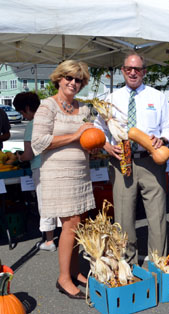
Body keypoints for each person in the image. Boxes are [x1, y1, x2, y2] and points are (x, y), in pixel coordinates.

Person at [94, 53, 169, 264]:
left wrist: (163, 139)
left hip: (150, 160)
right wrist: (107, 146)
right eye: (128, 68)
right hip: (120, 162)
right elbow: (98, 129)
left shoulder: (157, 97)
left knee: (157, 216)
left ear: (144, 72)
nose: (132, 72)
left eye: (137, 69)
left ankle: (158, 264)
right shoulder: (110, 99)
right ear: (122, 71)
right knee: (124, 218)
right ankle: (127, 264)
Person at [31, 60, 96, 299]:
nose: (73, 83)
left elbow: (88, 140)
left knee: (78, 224)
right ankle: (63, 278)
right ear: (59, 78)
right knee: (70, 224)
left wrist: (94, 145)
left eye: (78, 80)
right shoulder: (47, 107)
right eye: (69, 78)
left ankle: (75, 269)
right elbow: (38, 143)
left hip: (80, 172)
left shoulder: (85, 108)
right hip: (58, 174)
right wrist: (75, 135)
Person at [14, 92, 60, 252]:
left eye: (21, 112)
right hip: (58, 166)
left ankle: (49, 241)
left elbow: (28, 154)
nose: (23, 116)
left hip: (41, 169)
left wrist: (19, 158)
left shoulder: (32, 125)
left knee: (45, 203)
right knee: (60, 202)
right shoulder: (52, 119)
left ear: (27, 108)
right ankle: (65, 236)